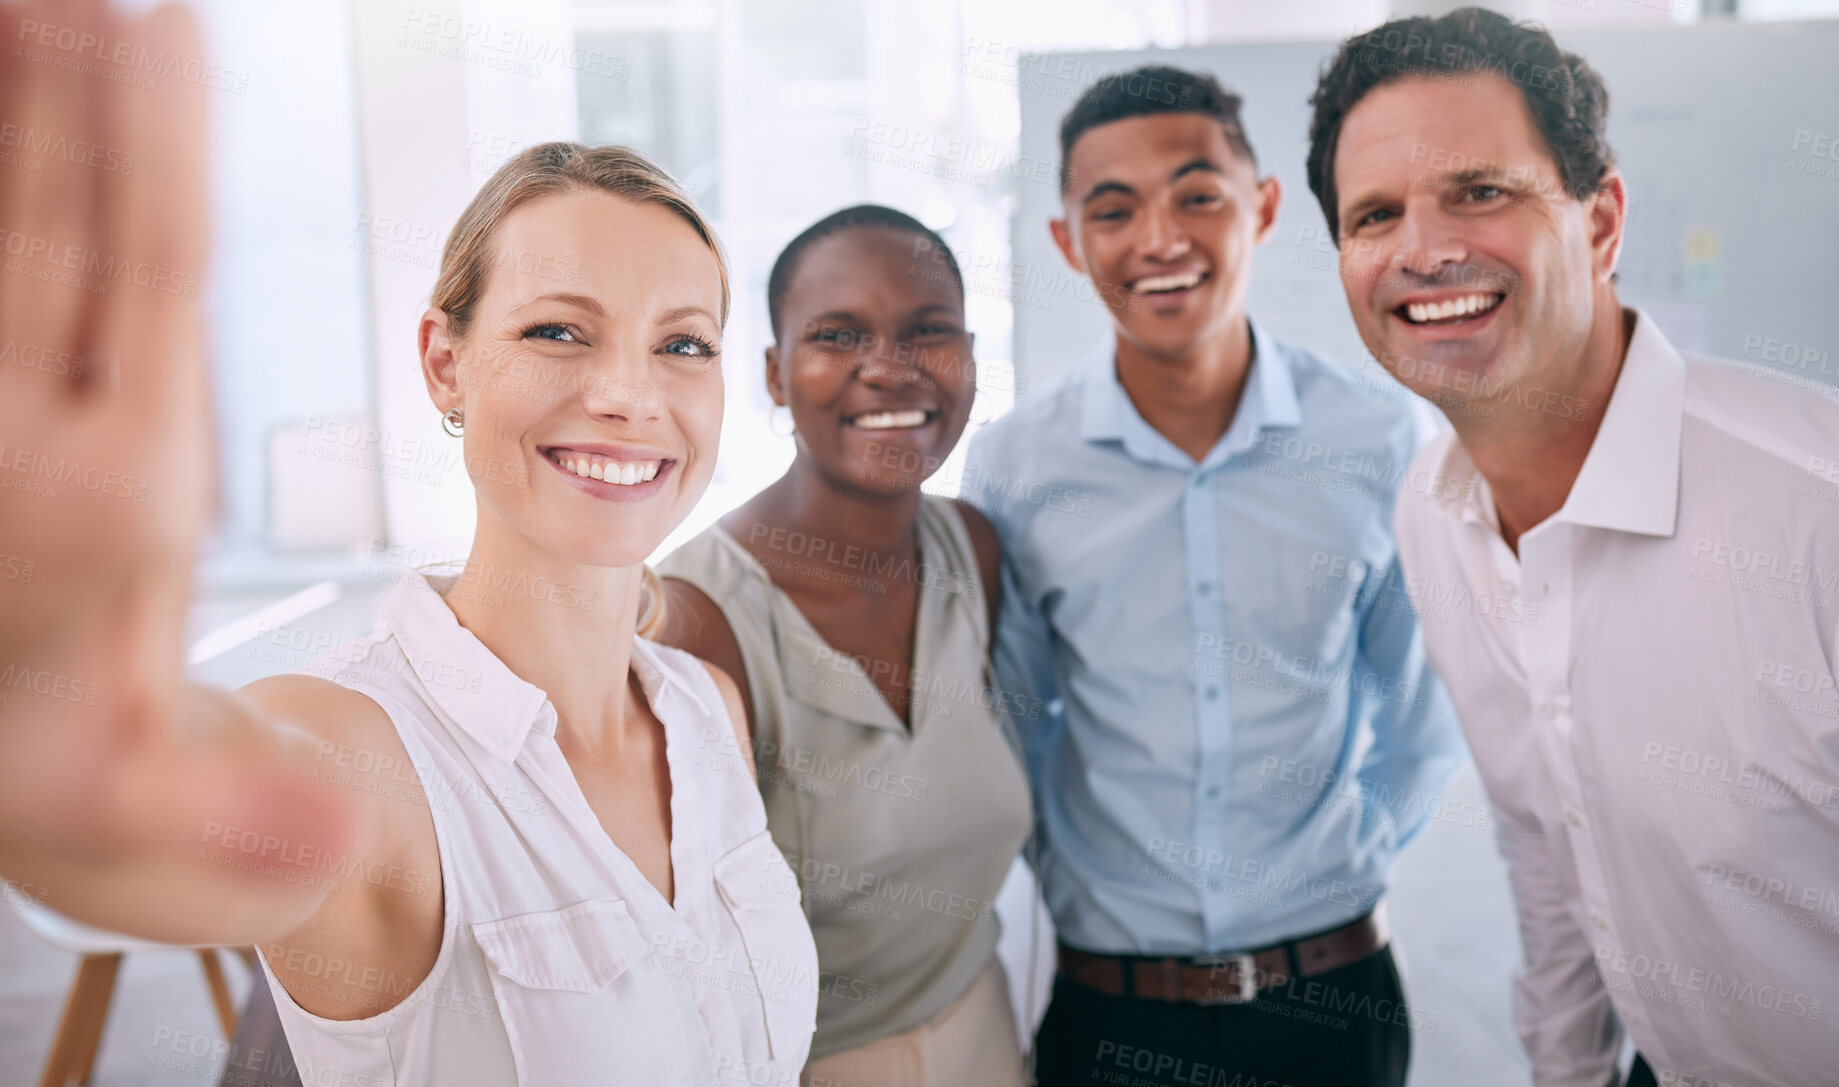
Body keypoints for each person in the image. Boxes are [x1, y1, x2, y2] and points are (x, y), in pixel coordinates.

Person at [27, 135, 822, 1084]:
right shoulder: (359, 751)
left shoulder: (705, 708)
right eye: (556, 332)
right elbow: (114, 827)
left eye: (682, 344)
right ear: (445, 362)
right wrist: (43, 692)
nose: (628, 394)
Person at [1308, 9, 1839, 1086]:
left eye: (1479, 191)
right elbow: (1550, 840)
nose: (1423, 249)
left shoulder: (1813, 512)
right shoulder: (1432, 510)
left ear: (1601, 226)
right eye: (1375, 214)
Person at [965, 64, 1466, 1087]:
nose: (1159, 239)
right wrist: (1077, 875)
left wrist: (1345, 847)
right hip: (1111, 1014)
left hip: (1331, 1000)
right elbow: (1014, 716)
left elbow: (1423, 713)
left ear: (1265, 208)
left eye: (1198, 195)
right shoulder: (1017, 464)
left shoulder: (1376, 438)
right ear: (1068, 240)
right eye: (1114, 209)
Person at [658, 205, 1031, 1085]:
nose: (889, 369)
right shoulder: (697, 616)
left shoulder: (971, 552)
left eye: (927, 332)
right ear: (775, 374)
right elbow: (671, 952)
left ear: (971, 357)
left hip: (985, 1030)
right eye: (837, 335)